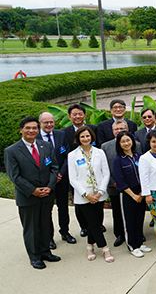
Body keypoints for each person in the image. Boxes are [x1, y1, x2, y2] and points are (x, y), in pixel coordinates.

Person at [5, 117, 61, 269]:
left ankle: (45, 252)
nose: (31, 131)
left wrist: (49, 186)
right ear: (21, 130)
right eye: (28, 128)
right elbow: (14, 176)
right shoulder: (12, 151)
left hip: (47, 194)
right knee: (31, 228)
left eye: (34, 128)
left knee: (45, 225)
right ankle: (35, 256)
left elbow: (54, 167)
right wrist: (33, 190)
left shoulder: (46, 146)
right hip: (28, 197)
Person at [67, 126, 114, 263]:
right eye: (82, 137)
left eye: (88, 136)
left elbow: (106, 173)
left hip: (99, 194)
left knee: (97, 221)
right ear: (78, 139)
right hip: (83, 196)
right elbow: (73, 178)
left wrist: (100, 192)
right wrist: (86, 194)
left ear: (91, 137)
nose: (85, 139)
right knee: (93, 223)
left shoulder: (100, 152)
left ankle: (89, 246)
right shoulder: (72, 155)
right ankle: (105, 248)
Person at [38, 111, 76, 247]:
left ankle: (65, 232)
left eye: (51, 122)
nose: (49, 125)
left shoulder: (61, 134)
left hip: (61, 178)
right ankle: (49, 238)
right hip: (46, 181)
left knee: (63, 207)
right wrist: (52, 177)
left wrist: (61, 173)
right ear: (40, 123)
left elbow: (67, 155)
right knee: (47, 209)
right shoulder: (35, 138)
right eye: (46, 122)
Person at [112, 131, 150, 258]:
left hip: (141, 193)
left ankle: (139, 243)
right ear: (119, 144)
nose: (126, 143)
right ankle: (132, 246)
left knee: (139, 219)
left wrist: (142, 193)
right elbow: (120, 181)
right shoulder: (118, 160)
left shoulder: (139, 156)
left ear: (132, 141)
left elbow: (144, 175)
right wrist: (133, 195)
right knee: (129, 221)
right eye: (123, 141)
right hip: (128, 195)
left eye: (128, 140)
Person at [62, 104, 96, 237]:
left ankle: (97, 223)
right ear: (69, 116)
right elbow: (65, 154)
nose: (77, 116)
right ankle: (84, 226)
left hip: (93, 170)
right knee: (80, 199)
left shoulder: (93, 128)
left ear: (84, 115)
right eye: (74, 114)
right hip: (76, 171)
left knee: (95, 197)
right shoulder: (65, 132)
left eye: (80, 114)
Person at [101, 119, 131, 248]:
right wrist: (113, 182)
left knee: (132, 210)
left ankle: (134, 232)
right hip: (114, 185)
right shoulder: (105, 146)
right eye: (116, 129)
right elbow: (104, 167)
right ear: (113, 131)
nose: (119, 131)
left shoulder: (136, 144)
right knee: (117, 211)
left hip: (132, 186)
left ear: (127, 130)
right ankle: (119, 234)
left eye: (122, 129)